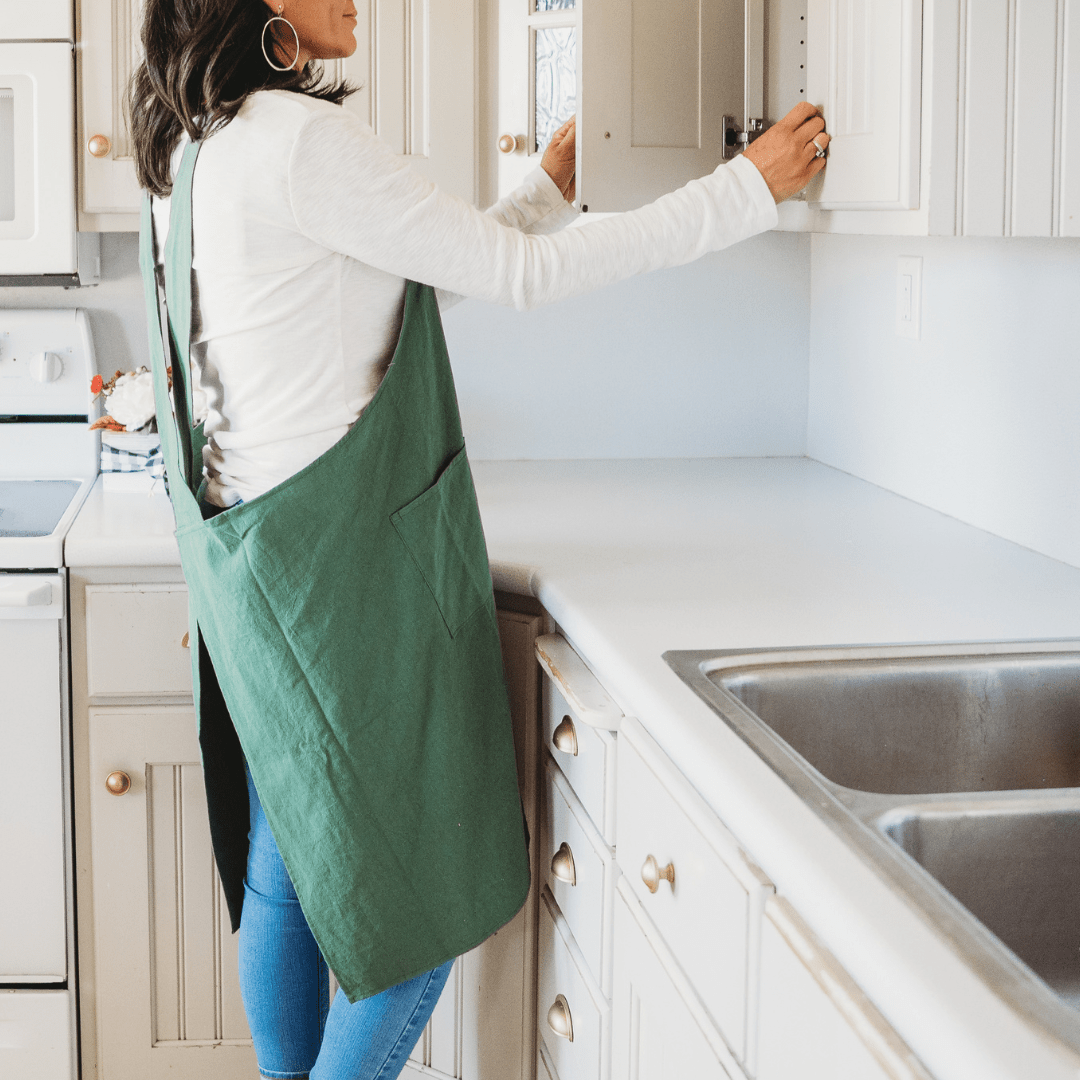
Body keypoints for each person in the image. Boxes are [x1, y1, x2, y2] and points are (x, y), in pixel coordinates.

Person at [130, 3, 830, 1079]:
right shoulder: (301, 141)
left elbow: (405, 271)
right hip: (339, 586)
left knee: (289, 862)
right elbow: (523, 280)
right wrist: (745, 189)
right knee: (420, 906)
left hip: (255, 576)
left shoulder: (193, 146)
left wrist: (543, 192)